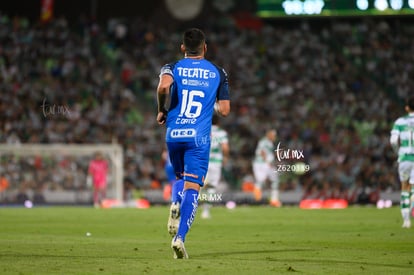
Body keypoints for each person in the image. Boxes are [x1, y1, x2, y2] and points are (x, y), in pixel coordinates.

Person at [156, 28, 230, 259]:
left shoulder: (172, 67)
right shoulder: (218, 72)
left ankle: (175, 202)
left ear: (182, 48)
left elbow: (163, 87)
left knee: (179, 178)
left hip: (174, 133)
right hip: (198, 137)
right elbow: (225, 110)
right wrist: (210, 105)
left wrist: (161, 110)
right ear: (205, 47)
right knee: (193, 187)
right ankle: (180, 238)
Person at [390, 96, 414, 228]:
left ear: (407, 107)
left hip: (404, 158)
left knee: (405, 187)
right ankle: (412, 206)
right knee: (413, 189)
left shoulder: (400, 122)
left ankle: (406, 220)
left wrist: (398, 152)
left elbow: (393, 141)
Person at [201, 114, 230, 219]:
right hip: (216, 162)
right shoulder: (221, 133)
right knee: (212, 187)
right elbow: (225, 148)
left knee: (200, 185)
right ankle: (206, 211)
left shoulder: (203, 131)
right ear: (218, 122)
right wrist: (226, 158)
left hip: (204, 161)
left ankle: (201, 187)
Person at [252, 129, 281, 207]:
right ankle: (272, 200)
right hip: (262, 163)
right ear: (269, 135)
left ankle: (273, 200)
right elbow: (262, 152)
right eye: (273, 135)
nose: (275, 137)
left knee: (272, 180)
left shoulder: (268, 142)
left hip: (263, 163)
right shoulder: (264, 142)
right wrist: (268, 161)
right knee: (266, 180)